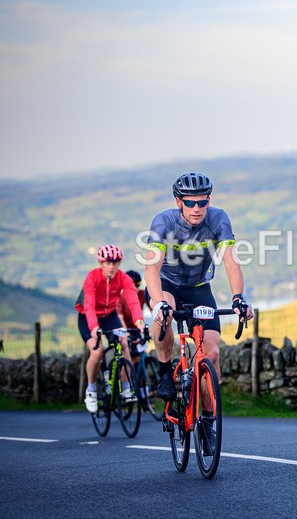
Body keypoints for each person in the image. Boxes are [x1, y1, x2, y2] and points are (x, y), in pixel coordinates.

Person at [144, 172, 253, 453]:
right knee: (164, 316)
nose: (197, 209)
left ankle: (206, 421)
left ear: (209, 200)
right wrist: (158, 303)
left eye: (202, 202)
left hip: (199, 287)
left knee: (212, 353)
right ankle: (165, 370)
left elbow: (230, 261)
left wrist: (239, 297)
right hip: (166, 285)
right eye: (190, 203)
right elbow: (151, 268)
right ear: (178, 201)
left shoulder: (218, 219)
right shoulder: (164, 221)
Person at [75, 245, 145, 413]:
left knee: (125, 344)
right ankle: (91, 390)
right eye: (108, 262)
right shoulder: (92, 277)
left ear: (119, 263)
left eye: (115, 263)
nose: (112, 266)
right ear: (101, 262)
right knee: (97, 352)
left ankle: (126, 387)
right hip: (88, 317)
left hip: (110, 316)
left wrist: (139, 322)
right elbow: (89, 305)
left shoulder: (123, 278)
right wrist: (94, 328)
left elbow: (133, 302)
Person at [117, 270, 150, 366]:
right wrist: (126, 333)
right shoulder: (120, 297)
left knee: (139, 357)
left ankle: (138, 378)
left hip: (136, 328)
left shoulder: (141, 294)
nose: (135, 288)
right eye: (132, 285)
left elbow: (153, 310)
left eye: (137, 285)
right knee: (126, 356)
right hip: (123, 328)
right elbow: (120, 318)